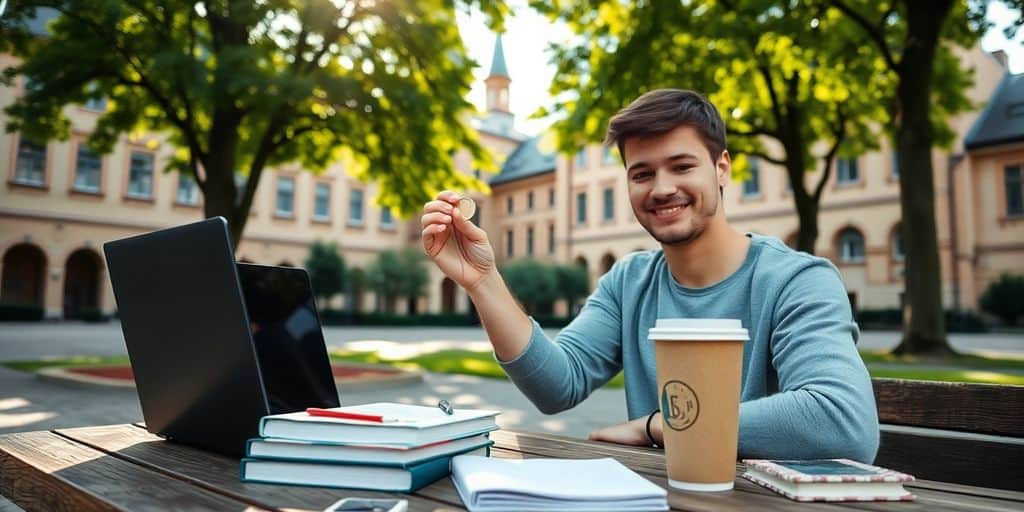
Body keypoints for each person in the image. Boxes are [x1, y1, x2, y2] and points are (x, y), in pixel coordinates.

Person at [420, 89, 879, 462]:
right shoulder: (630, 281)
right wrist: (483, 281)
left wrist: (657, 426)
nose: (662, 189)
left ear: (722, 168)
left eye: (681, 166)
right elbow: (557, 385)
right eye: (642, 174)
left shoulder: (798, 281)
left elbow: (841, 420)